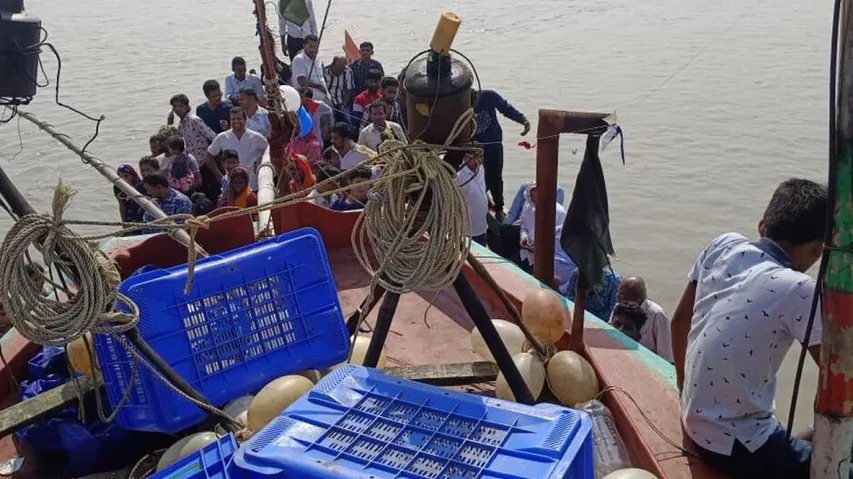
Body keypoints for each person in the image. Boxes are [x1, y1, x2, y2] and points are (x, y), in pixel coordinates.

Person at [671, 178, 831, 479]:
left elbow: (679, 323)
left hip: (695, 421)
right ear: (817, 250)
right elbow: (837, 378)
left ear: (762, 226)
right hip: (736, 446)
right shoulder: (799, 288)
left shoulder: (722, 245)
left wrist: (685, 393)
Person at [472, 89, 530, 221]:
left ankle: (498, 209)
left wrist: (523, 120)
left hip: (493, 144)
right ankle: (481, 198)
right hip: (473, 146)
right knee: (473, 176)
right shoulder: (460, 102)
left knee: (496, 177)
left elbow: (505, 108)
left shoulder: (488, 96)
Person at [206, 106, 269, 192]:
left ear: (245, 119)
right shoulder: (222, 137)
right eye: (233, 119)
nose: (236, 121)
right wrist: (218, 174)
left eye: (239, 119)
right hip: (231, 187)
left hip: (253, 186)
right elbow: (209, 154)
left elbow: (269, 151)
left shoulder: (256, 137)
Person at [618, 276, 675, 363]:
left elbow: (666, 354)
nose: (618, 297)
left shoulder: (657, 315)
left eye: (623, 294)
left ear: (638, 297)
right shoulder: (619, 307)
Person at [168, 94, 217, 162]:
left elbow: (213, 136)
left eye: (180, 106)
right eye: (175, 106)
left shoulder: (194, 120)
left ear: (187, 107)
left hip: (202, 161)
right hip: (192, 162)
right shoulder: (181, 125)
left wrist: (212, 156)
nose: (177, 109)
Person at [456, 152, 488, 246]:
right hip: (465, 231)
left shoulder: (481, 169)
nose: (477, 160)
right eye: (473, 157)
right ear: (465, 157)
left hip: (481, 227)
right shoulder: (458, 175)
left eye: (480, 156)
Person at [290, 35, 329, 104]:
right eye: (310, 46)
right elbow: (302, 83)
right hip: (309, 97)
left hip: (324, 96)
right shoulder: (299, 60)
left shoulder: (318, 59)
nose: (313, 49)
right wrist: (319, 87)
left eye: (315, 47)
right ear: (304, 46)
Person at [324, 56, 354, 123]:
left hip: (341, 101)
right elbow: (323, 89)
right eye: (338, 69)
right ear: (333, 65)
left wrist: (344, 105)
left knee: (348, 120)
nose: (340, 71)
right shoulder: (324, 71)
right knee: (330, 119)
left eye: (342, 68)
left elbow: (349, 90)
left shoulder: (348, 71)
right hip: (328, 101)